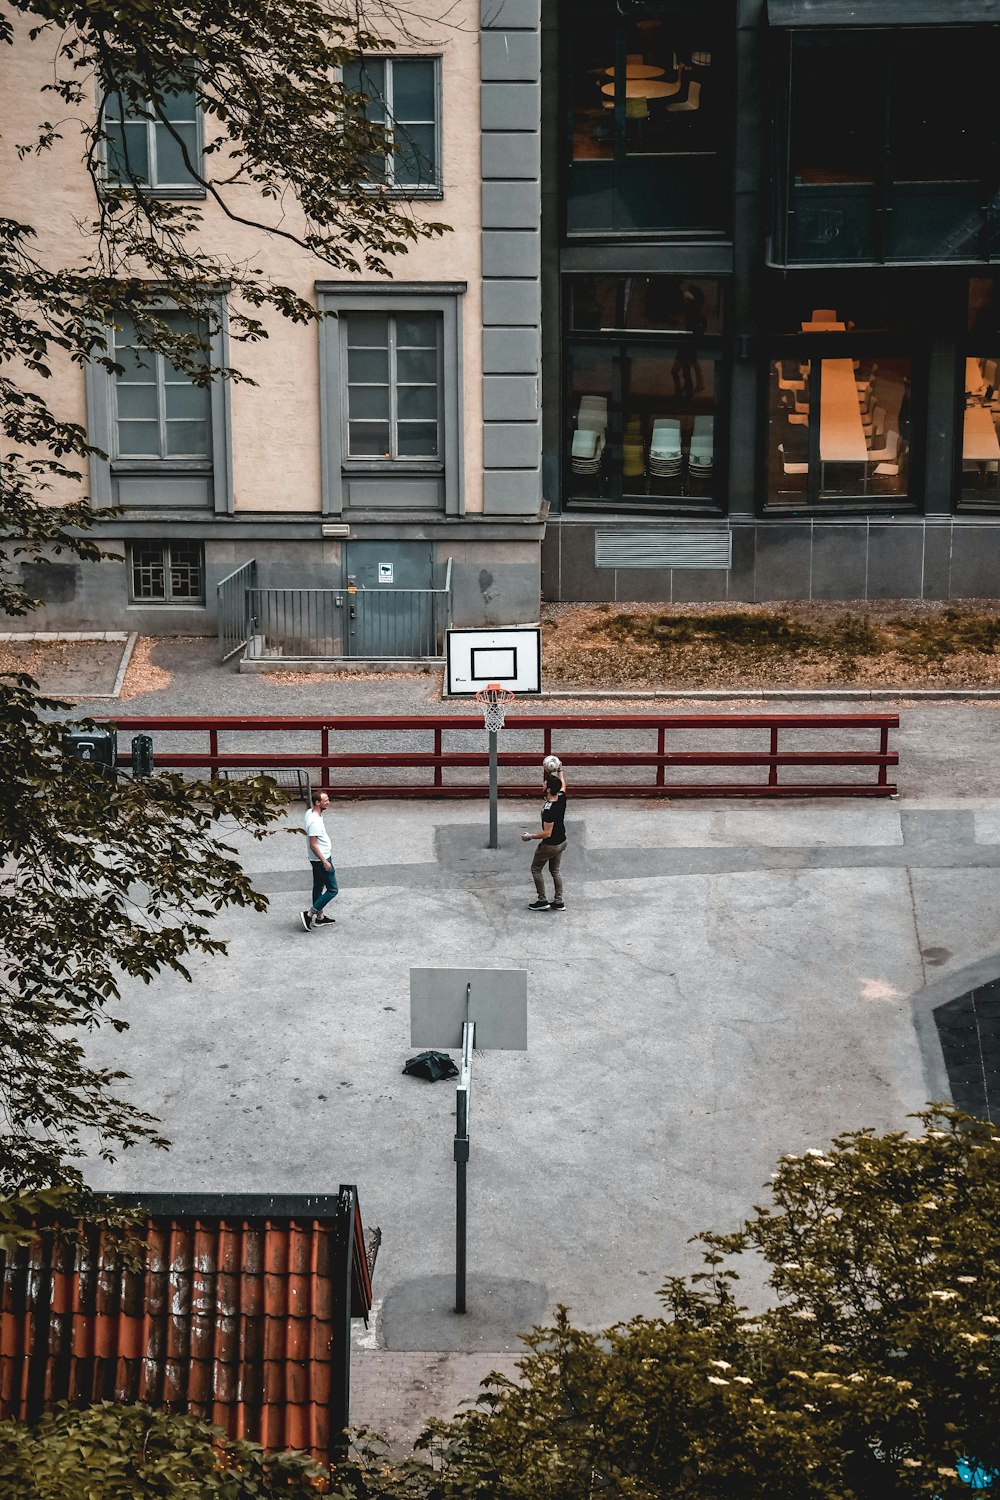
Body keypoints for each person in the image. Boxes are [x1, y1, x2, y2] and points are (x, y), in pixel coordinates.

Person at [521, 773, 567, 912]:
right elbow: (563, 785)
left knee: (536, 869)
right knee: (555, 871)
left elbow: (547, 833)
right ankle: (559, 902)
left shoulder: (549, 810)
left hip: (550, 845)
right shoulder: (561, 797)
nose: (542, 784)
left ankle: (542, 900)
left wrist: (530, 836)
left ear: (548, 789)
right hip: (562, 842)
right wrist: (560, 770)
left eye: (544, 783)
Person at [301, 789, 338, 931]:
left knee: (318, 886)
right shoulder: (315, 821)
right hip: (321, 859)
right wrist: (324, 860)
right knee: (333, 889)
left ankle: (320, 917)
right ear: (317, 802)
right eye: (325, 800)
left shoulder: (310, 812)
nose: (328, 802)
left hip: (316, 859)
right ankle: (310, 914)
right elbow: (313, 844)